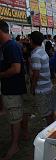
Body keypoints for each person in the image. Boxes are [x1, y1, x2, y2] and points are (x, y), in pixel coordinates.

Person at [0, 20, 27, 160]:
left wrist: (1, 75)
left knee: (14, 118)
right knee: (15, 116)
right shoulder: (6, 46)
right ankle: (23, 135)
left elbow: (16, 68)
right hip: (10, 88)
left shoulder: (11, 46)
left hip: (13, 89)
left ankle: (14, 145)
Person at [30, 31, 54, 125]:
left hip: (41, 88)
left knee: (46, 112)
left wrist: (32, 87)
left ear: (31, 41)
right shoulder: (42, 51)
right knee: (49, 111)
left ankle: (49, 130)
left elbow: (36, 74)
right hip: (48, 85)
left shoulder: (35, 54)